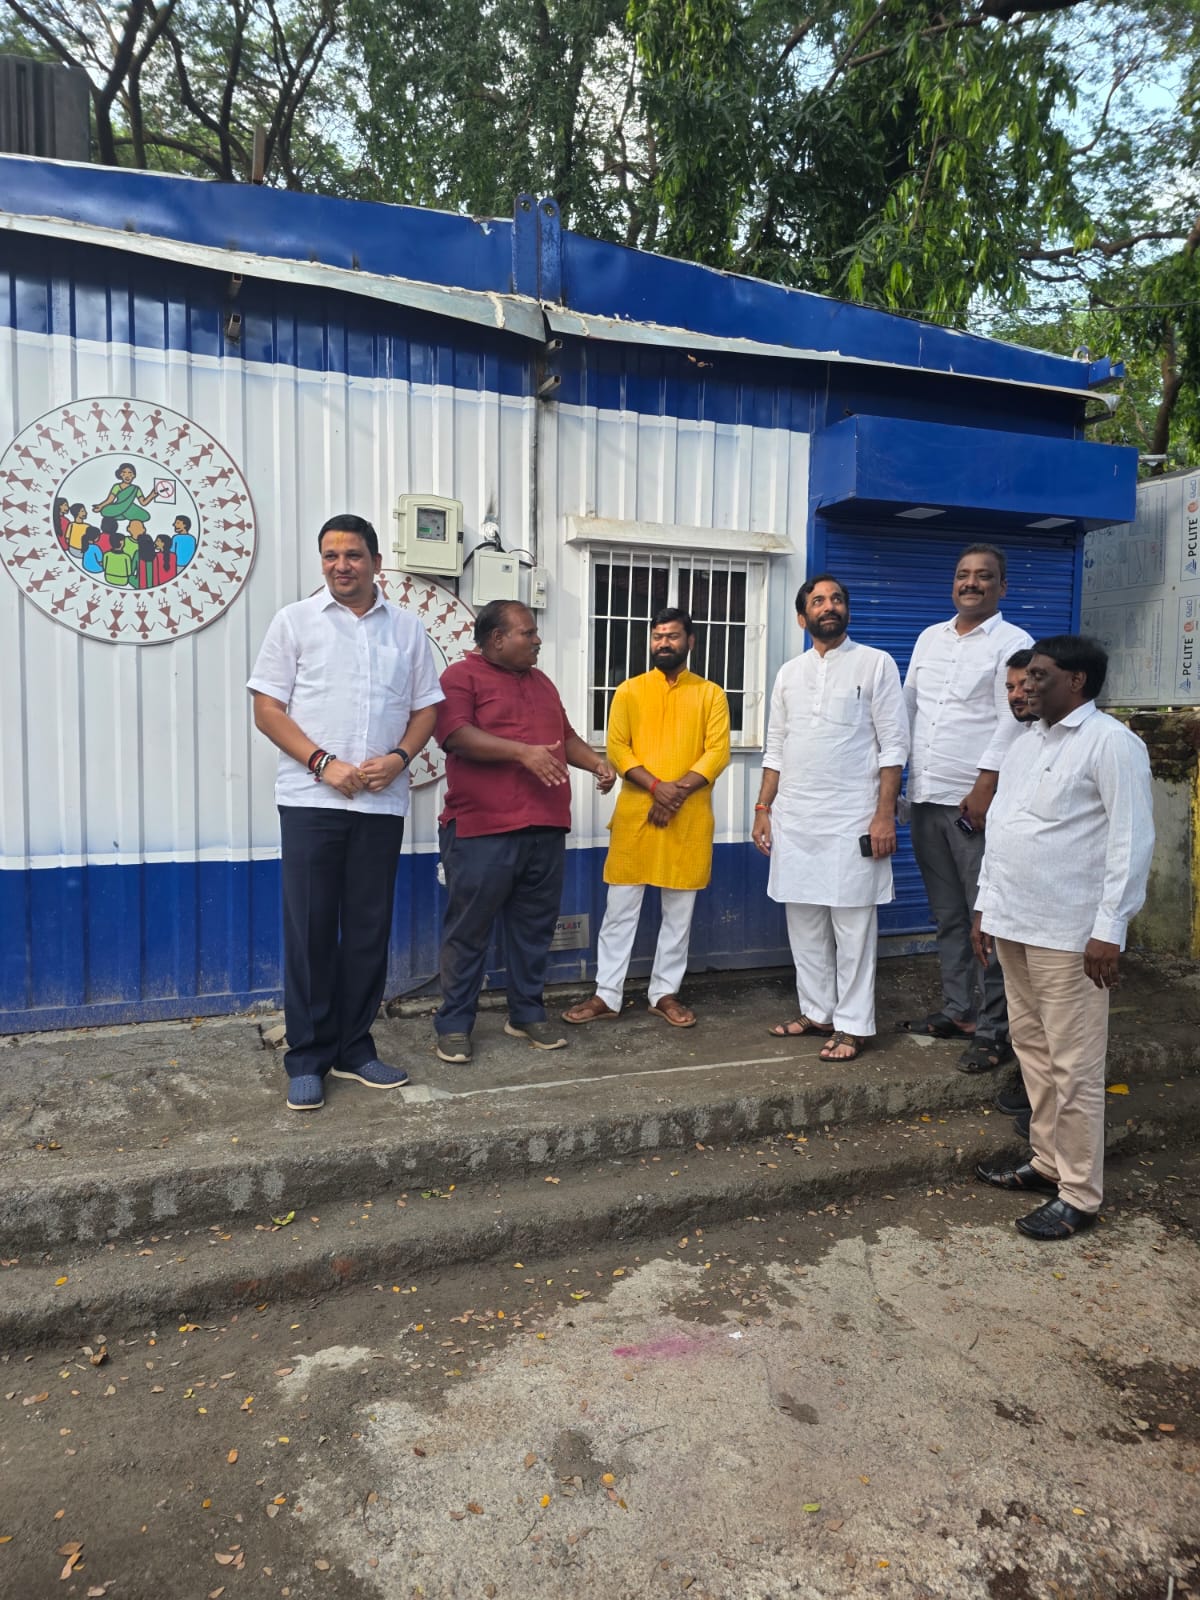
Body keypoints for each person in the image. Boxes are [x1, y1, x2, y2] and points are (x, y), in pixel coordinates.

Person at [247, 512, 443, 1112]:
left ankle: (355, 1050)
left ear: (376, 563)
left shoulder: (406, 630)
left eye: (353, 555)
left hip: (380, 804)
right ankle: (308, 1059)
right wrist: (322, 763)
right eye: (330, 555)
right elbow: (267, 708)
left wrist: (400, 757)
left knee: (366, 930)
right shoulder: (295, 621)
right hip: (312, 801)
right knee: (309, 930)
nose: (341, 566)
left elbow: (426, 709)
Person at [972, 635, 1153, 1238]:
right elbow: (1003, 832)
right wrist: (985, 908)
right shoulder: (1026, 743)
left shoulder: (1111, 743)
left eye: (1039, 676)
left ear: (1076, 681)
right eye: (1023, 677)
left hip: (1071, 934)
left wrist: (1110, 928)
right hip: (1015, 923)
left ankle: (1079, 1193)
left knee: (1075, 1066)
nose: (1025, 686)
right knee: (1033, 1051)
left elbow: (1131, 840)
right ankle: (1047, 1162)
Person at [433, 601, 616, 1062]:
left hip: (545, 827)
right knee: (468, 931)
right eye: (528, 633)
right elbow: (455, 735)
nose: (537, 640)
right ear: (497, 638)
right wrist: (522, 752)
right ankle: (454, 1023)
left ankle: (526, 1013)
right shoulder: (460, 677)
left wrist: (596, 763)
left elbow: (565, 737)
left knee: (534, 929)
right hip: (482, 829)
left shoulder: (542, 682)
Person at [752, 575, 909, 1061]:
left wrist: (884, 815)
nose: (829, 606)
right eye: (818, 601)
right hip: (796, 818)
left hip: (853, 818)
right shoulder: (789, 674)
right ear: (803, 618)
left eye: (836, 599)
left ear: (847, 611)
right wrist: (763, 808)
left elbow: (894, 745)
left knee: (853, 925)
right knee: (803, 922)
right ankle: (818, 1011)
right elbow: (775, 747)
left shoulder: (875, 663)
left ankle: (854, 1024)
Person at [562, 607, 730, 1031]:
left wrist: (675, 794)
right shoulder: (629, 691)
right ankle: (607, 993)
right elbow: (618, 749)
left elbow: (717, 752)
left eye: (672, 636)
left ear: (690, 642)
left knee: (679, 913)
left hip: (689, 818)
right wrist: (657, 788)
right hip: (636, 814)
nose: (664, 643)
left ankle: (664, 993)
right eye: (657, 636)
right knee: (620, 909)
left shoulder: (710, 694)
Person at [898, 544, 1033, 1073]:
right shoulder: (929, 637)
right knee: (948, 914)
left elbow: (1012, 717)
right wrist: (895, 782)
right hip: (925, 796)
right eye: (963, 575)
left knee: (987, 919)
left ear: (1003, 586)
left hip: (971, 802)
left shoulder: (1013, 642)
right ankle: (959, 1010)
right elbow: (908, 707)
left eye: (984, 576)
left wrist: (984, 786)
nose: (971, 583)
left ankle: (997, 1030)